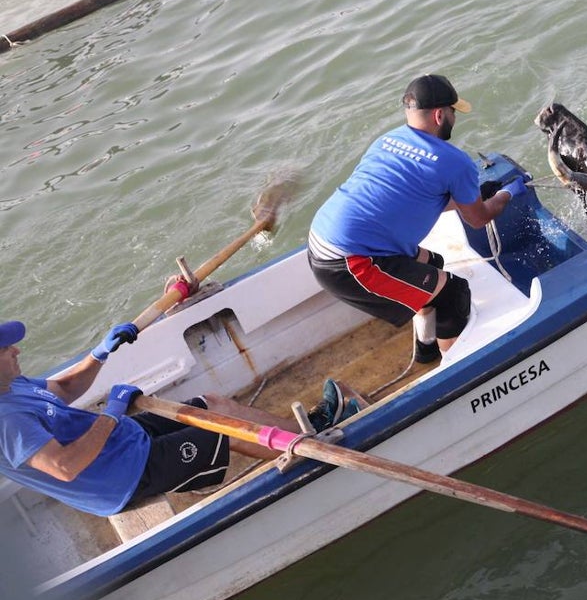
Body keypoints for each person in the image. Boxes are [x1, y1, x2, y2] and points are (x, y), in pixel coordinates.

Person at [0, 318, 349, 518]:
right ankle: (315, 457)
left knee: (211, 405)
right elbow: (65, 467)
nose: (16, 350)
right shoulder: (6, 421)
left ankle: (314, 430)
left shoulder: (10, 384)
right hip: (121, 477)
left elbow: (62, 388)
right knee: (225, 434)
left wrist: (99, 353)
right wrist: (111, 414)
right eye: (5, 350)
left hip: (120, 440)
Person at [308, 73, 526, 364]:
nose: (453, 118)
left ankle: (426, 350)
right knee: (452, 294)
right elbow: (478, 219)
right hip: (351, 261)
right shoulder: (455, 161)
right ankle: (456, 370)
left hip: (323, 239)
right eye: (452, 112)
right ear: (439, 115)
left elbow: (420, 198)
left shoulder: (386, 141)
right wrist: (506, 195)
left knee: (431, 265)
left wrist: (472, 196)